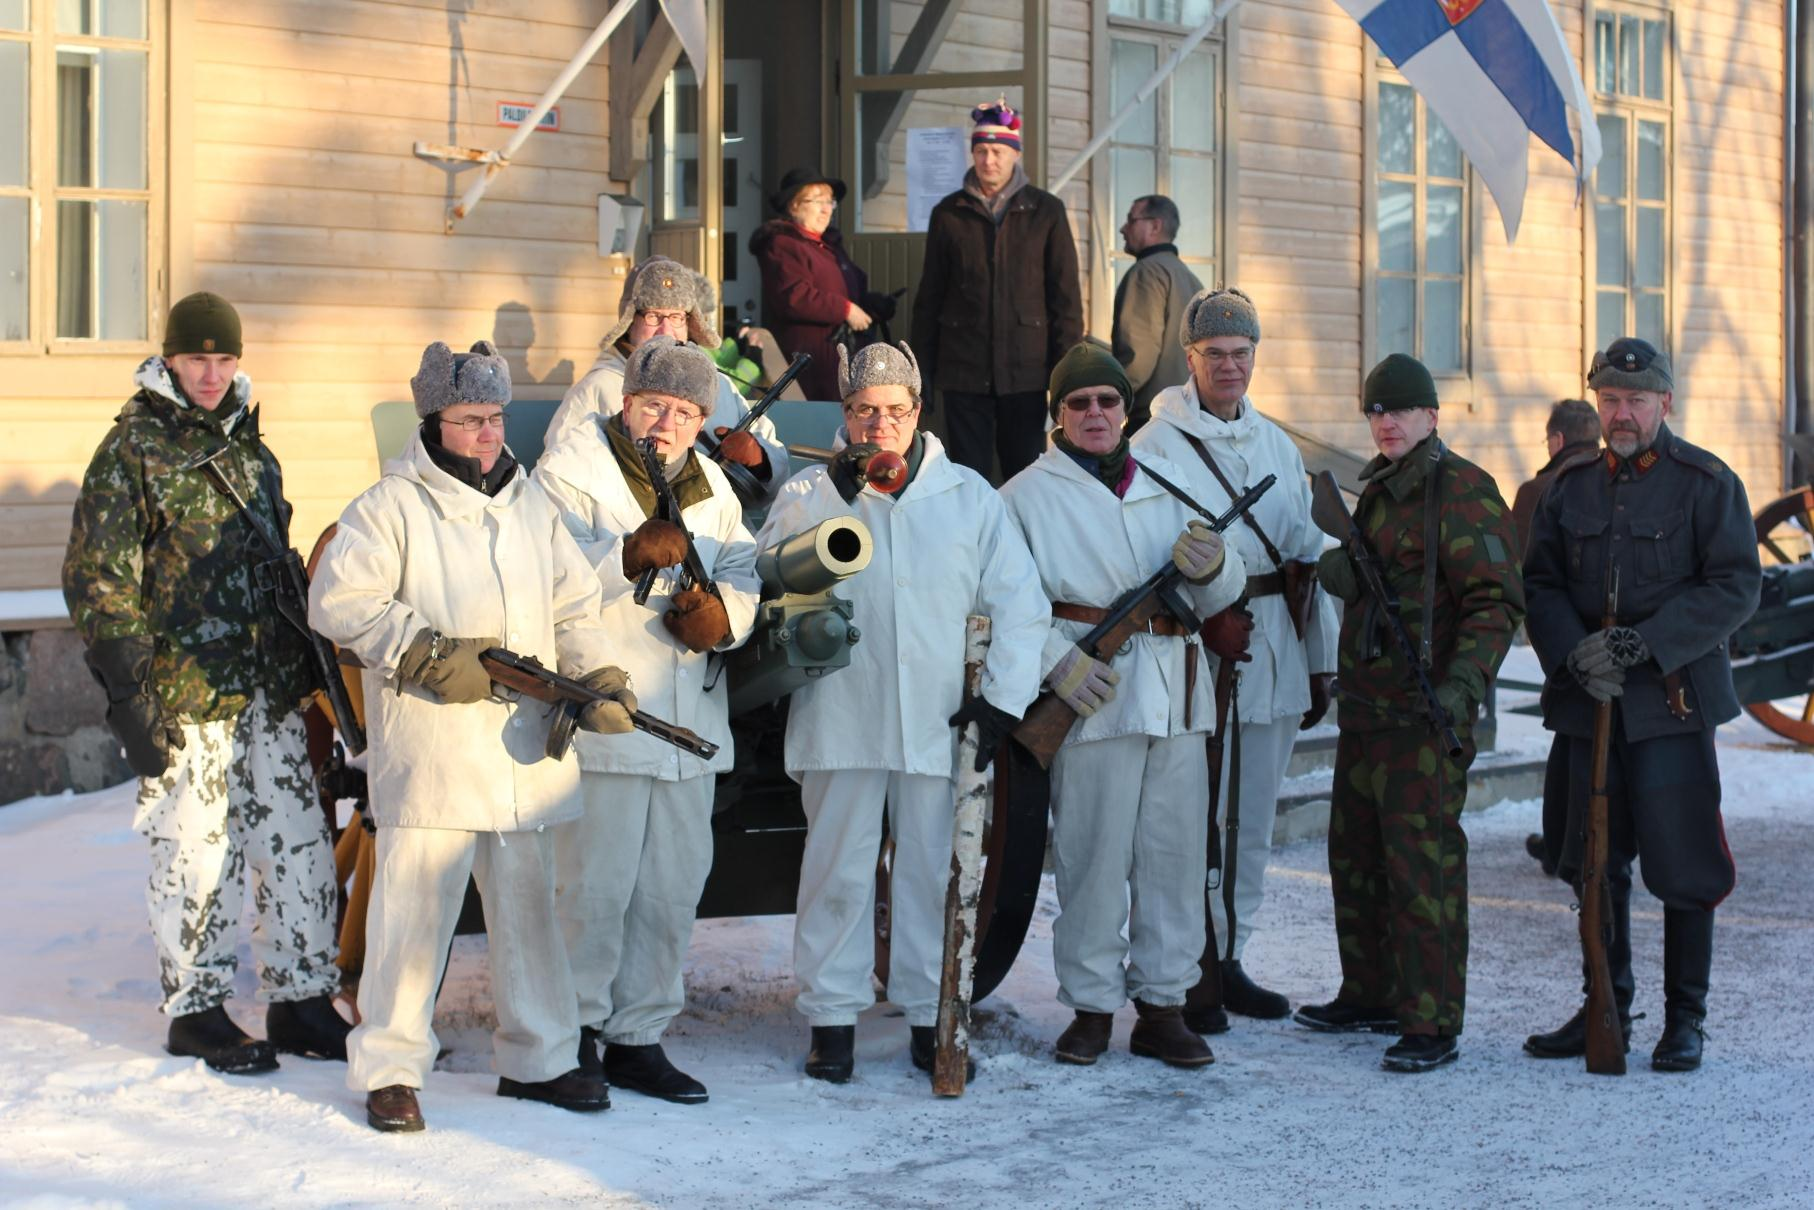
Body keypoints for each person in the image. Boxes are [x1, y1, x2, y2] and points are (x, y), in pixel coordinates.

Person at [309, 339, 635, 1133]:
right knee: (411, 919)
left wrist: (598, 678)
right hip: (436, 753)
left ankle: (541, 1059)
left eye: (495, 418)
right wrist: (421, 650)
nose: (490, 435)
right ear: (434, 420)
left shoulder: (532, 506)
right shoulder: (389, 507)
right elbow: (337, 601)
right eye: (471, 420)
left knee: (530, 919)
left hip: (524, 755)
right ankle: (389, 1069)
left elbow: (575, 607)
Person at [62, 291, 347, 1076]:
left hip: (268, 686)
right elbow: (98, 579)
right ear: (170, 359)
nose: (213, 374)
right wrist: (128, 693)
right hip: (187, 692)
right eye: (198, 359)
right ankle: (196, 1009)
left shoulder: (253, 447)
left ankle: (302, 997)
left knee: (298, 841)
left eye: (224, 359)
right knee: (197, 851)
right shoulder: (133, 449)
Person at [754, 341, 1048, 1083]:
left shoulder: (970, 498)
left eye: (893, 412)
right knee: (838, 872)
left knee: (928, 871)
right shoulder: (807, 495)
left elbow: (1019, 604)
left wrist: (999, 704)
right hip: (840, 714)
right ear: (845, 417)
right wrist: (842, 503)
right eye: (862, 412)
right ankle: (832, 1018)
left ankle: (928, 1012)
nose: (878, 426)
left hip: (938, 719)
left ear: (917, 413)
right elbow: (767, 579)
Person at [999, 342, 1245, 1068]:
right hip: (1092, 699)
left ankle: (1165, 1006)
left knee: (1172, 856)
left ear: (1125, 409)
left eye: (1107, 400)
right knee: (1092, 856)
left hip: (1173, 692)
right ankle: (1092, 1007)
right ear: (1059, 415)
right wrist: (1057, 663)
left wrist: (1218, 567)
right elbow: (1004, 604)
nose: (1096, 414)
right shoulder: (1021, 498)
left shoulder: (1170, 483)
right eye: (1079, 403)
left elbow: (1213, 597)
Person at [1521, 338, 1761, 1073]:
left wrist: (1643, 646)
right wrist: (1572, 653)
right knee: (1590, 859)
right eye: (1610, 401)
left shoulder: (1706, 483)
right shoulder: (1571, 487)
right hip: (1585, 705)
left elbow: (1734, 587)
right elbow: (1542, 582)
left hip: (1671, 704)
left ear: (1666, 403)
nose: (1621, 415)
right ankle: (1606, 1003)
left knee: (1685, 865)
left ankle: (1685, 1019)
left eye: (1635, 401)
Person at [534, 337, 761, 1105]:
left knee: (670, 889)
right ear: (626, 405)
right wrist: (622, 555)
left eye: (685, 412)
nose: (667, 424)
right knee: (593, 890)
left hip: (688, 726)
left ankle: (639, 1035)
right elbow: (541, 573)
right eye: (653, 406)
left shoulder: (715, 494)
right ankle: (575, 1035)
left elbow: (743, 571)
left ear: (702, 420)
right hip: (611, 716)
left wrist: (723, 620)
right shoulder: (570, 475)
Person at [1297, 353, 1524, 1073]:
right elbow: (1366, 574)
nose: (1386, 422)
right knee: (1356, 859)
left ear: (1432, 415)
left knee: (1421, 870)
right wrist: (1338, 568)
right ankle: (1370, 992)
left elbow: (1494, 604)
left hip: (1424, 719)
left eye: (1398, 410)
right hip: (1366, 710)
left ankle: (1431, 1021)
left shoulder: (1461, 490)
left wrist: (1460, 692)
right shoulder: (1380, 491)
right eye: (1375, 411)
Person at [1129, 287, 1338, 1031]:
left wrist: (1319, 662)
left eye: (1240, 355)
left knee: (1251, 821)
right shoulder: (1153, 447)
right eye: (1214, 354)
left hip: (1273, 646)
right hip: (1197, 652)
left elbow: (1308, 558)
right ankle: (1185, 967)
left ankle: (1233, 957)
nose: (1228, 367)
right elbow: (1147, 555)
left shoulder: (1277, 446)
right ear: (1189, 359)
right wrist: (1204, 616)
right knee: (1192, 820)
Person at [910, 98, 1083, 482]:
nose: (989, 160)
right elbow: (930, 298)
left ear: (1014, 155)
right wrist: (920, 374)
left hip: (1027, 373)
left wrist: (1065, 375)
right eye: (982, 150)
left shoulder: (1046, 210)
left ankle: (1020, 543)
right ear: (972, 153)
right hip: (963, 371)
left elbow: (1066, 300)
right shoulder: (948, 212)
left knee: (1025, 475)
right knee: (967, 476)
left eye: (999, 151)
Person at [546, 257, 789, 491]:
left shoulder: (720, 385)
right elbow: (560, 472)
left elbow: (777, 469)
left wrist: (758, 460)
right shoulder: (599, 387)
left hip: (718, 525)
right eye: (653, 316)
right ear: (631, 322)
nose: (666, 330)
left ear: (689, 324)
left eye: (676, 317)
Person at [750, 167, 896, 401]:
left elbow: (846, 291)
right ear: (794, 205)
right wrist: (845, 309)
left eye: (830, 201)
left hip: (838, 359)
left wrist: (870, 305)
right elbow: (793, 297)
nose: (827, 209)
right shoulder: (782, 244)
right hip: (810, 364)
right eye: (818, 201)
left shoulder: (828, 246)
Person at [1110, 196, 1203, 433]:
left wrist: (1109, 399)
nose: (1123, 229)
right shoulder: (1191, 279)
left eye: (1131, 220)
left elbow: (1138, 357)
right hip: (1189, 414)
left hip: (1152, 419)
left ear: (1155, 226)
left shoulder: (1147, 272)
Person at [1511, 398, 1601, 557]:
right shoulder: (1616, 480)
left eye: (1548, 440)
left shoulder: (1534, 490)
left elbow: (1516, 559)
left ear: (1559, 440)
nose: (1547, 447)